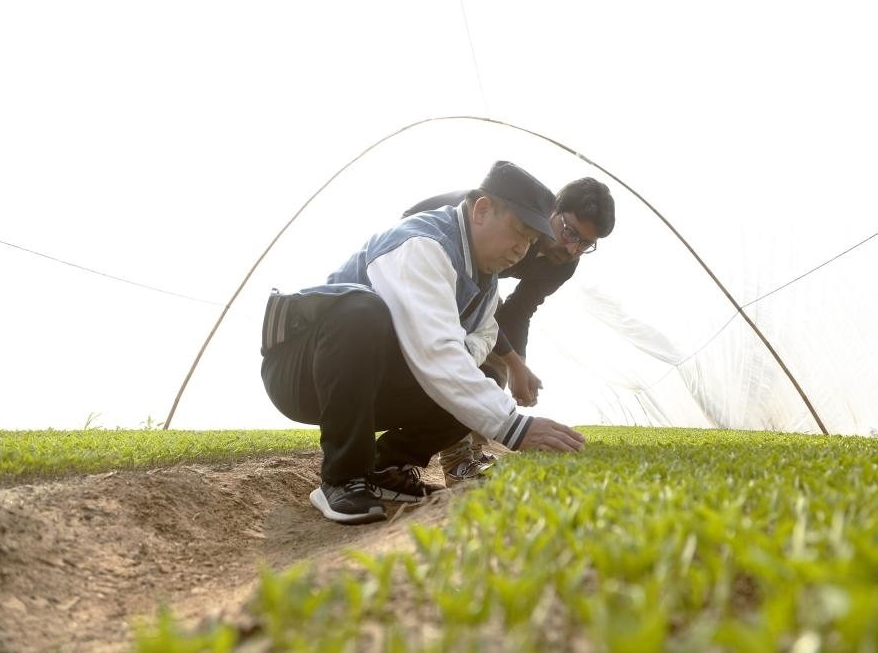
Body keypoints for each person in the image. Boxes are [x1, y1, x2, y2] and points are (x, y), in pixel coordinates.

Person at [259, 160, 586, 525]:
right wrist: (516, 427)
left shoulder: (486, 286)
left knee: (481, 378)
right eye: (518, 232)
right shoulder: (423, 243)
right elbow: (435, 351)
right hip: (299, 371)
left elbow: (477, 341)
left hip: (370, 381)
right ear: (481, 210)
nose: (521, 250)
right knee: (362, 312)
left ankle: (385, 469)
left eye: (529, 241)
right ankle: (342, 477)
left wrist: (463, 363)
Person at [403, 176, 615, 485]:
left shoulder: (565, 263)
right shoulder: (508, 220)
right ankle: (455, 456)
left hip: (477, 282)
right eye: (568, 231)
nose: (571, 248)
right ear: (552, 210)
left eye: (585, 244)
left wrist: (519, 366)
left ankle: (467, 445)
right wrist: (512, 364)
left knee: (496, 363)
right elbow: (481, 301)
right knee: (464, 350)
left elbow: (520, 310)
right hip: (427, 253)